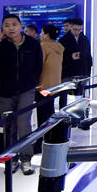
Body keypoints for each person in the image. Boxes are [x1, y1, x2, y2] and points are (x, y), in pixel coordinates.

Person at [0, 14, 43, 175]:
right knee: (8, 126)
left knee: (24, 124)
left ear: (21, 26)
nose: (11, 28)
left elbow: (38, 65)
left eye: (14, 24)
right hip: (4, 93)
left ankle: (26, 158)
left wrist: (31, 82)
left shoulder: (33, 44)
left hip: (26, 90)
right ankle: (11, 158)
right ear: (2, 28)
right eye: (7, 25)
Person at [35, 24, 64, 153]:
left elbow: (39, 66)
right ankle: (50, 137)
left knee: (42, 115)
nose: (40, 35)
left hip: (43, 86)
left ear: (47, 35)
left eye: (42, 33)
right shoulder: (59, 47)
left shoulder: (43, 46)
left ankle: (40, 142)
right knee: (49, 112)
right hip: (54, 85)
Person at [59, 17, 92, 107]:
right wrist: (70, 56)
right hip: (67, 73)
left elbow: (88, 57)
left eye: (79, 30)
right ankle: (64, 114)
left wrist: (88, 74)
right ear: (71, 27)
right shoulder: (63, 40)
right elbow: (59, 58)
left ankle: (80, 114)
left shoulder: (84, 39)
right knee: (64, 98)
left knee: (80, 97)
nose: (77, 32)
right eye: (75, 29)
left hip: (82, 73)